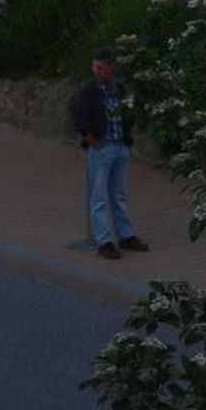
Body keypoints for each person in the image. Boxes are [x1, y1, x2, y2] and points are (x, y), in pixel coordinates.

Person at [70, 48, 146, 260]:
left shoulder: (119, 89)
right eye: (96, 67)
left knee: (119, 193)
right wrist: (90, 139)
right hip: (101, 147)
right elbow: (78, 117)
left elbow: (129, 112)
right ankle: (104, 241)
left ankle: (125, 235)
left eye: (103, 67)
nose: (99, 71)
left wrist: (127, 135)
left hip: (120, 144)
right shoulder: (89, 91)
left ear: (112, 68)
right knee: (99, 196)